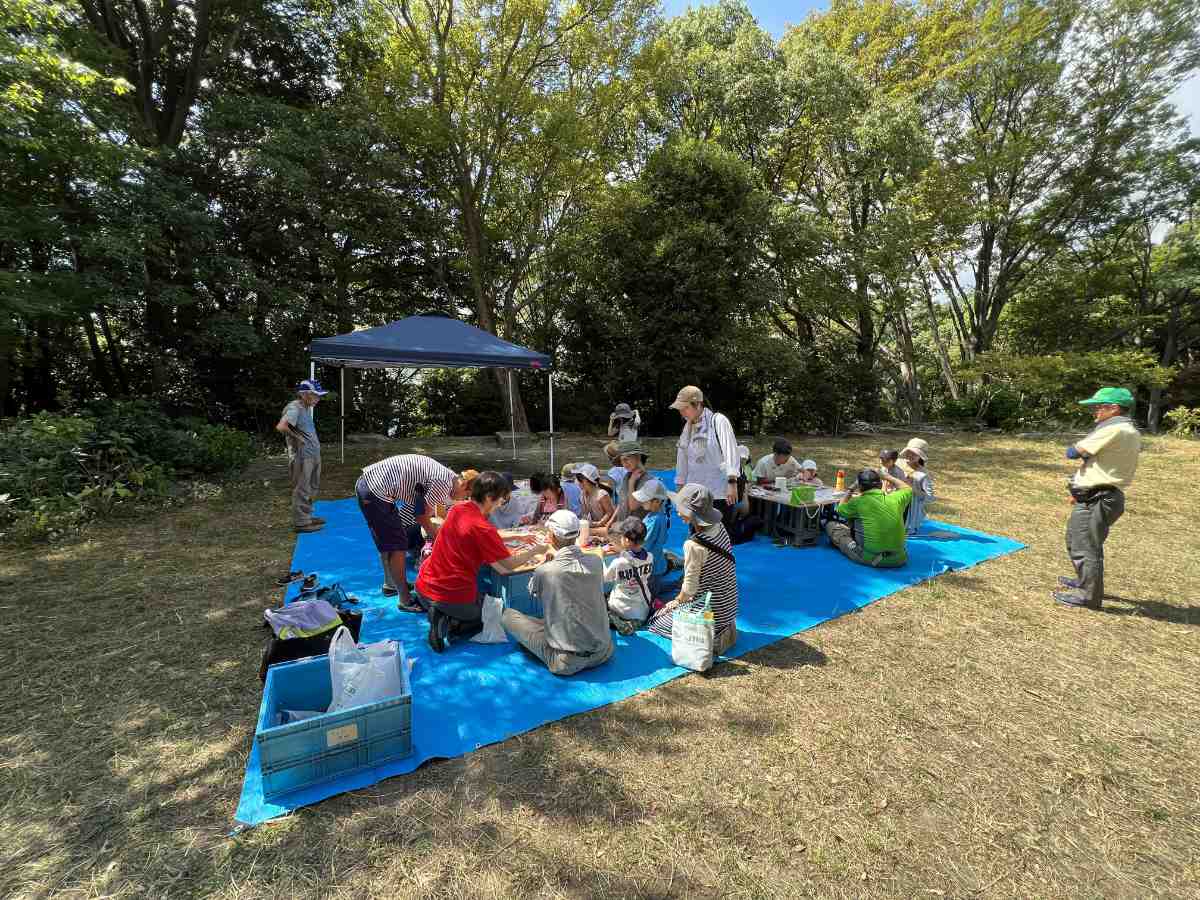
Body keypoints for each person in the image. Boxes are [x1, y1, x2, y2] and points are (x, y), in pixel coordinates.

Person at [416, 471, 548, 652]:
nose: (500, 505)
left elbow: (478, 537)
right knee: (495, 613)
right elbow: (509, 564)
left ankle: (443, 612)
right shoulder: (483, 528)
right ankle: (450, 623)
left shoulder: (457, 509)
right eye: (500, 500)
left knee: (481, 598)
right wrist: (537, 550)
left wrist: (516, 536)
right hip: (448, 595)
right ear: (488, 497)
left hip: (423, 586)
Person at [1055, 387, 1141, 610]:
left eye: (1098, 407)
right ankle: (1084, 581)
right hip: (1098, 496)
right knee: (1076, 540)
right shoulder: (1126, 429)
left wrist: (1076, 449)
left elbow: (1074, 452)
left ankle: (1088, 596)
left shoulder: (1114, 429)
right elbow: (1098, 462)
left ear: (1113, 408)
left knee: (1085, 546)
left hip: (1099, 498)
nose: (1094, 411)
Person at [356, 454, 475, 610]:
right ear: (464, 485)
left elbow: (414, 510)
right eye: (466, 496)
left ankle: (391, 584)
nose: (462, 500)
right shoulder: (443, 484)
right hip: (375, 489)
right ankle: (405, 600)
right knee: (397, 545)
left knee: (391, 539)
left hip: (371, 484)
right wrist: (439, 537)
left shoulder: (446, 476)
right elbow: (421, 517)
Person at [502, 510, 615, 675]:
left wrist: (545, 565)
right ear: (576, 534)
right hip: (604, 651)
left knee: (508, 616)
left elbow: (534, 591)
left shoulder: (546, 571)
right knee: (552, 616)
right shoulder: (596, 561)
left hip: (566, 661)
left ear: (552, 537)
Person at [648, 484, 738, 655]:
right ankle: (721, 631)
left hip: (711, 613)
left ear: (692, 514)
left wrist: (675, 602)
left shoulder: (693, 545)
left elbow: (689, 590)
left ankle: (709, 636)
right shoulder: (720, 527)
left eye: (681, 509)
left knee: (656, 620)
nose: (677, 512)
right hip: (729, 608)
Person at [671, 385, 740, 517]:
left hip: (718, 493)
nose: (682, 412)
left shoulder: (718, 421)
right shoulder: (687, 429)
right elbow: (682, 461)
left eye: (685, 408)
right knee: (695, 535)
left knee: (718, 534)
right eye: (680, 409)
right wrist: (680, 492)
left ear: (697, 405)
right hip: (695, 495)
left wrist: (732, 483)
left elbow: (730, 452)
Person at [824, 469, 912, 568]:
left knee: (831, 526)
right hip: (899, 558)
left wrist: (851, 488)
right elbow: (907, 488)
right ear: (880, 485)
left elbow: (839, 509)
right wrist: (887, 476)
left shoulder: (858, 502)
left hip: (871, 559)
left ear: (860, 487)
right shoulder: (895, 498)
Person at [275, 379, 328, 533]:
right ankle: (301, 523)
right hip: (303, 456)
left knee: (311, 486)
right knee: (302, 488)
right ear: (304, 394)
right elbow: (282, 426)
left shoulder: (305, 408)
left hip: (312, 454)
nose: (318, 398)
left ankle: (307, 516)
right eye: (315, 395)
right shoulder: (295, 408)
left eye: (319, 395)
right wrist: (298, 438)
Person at [604, 516, 655, 633]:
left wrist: (600, 558)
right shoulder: (650, 557)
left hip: (620, 608)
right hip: (642, 610)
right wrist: (623, 552)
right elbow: (635, 561)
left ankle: (616, 620)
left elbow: (605, 578)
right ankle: (627, 624)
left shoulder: (619, 562)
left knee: (603, 596)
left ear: (626, 540)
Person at [632, 478, 672, 594]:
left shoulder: (655, 520)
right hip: (656, 562)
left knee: (650, 595)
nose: (641, 502)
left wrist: (625, 549)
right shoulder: (654, 515)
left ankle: (676, 585)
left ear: (657, 502)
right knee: (653, 588)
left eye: (645, 499)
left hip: (652, 567)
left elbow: (644, 545)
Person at [897, 438, 935, 534]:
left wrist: (912, 488)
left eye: (914, 454)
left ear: (920, 456)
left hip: (910, 508)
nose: (910, 455)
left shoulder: (923, 473)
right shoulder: (897, 464)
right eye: (909, 452)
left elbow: (929, 497)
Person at [612, 440, 651, 522]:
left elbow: (633, 506)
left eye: (626, 459)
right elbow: (621, 503)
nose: (624, 464)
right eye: (622, 461)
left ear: (638, 457)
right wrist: (610, 522)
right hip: (622, 525)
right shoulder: (627, 476)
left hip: (635, 531)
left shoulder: (648, 481)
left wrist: (631, 483)